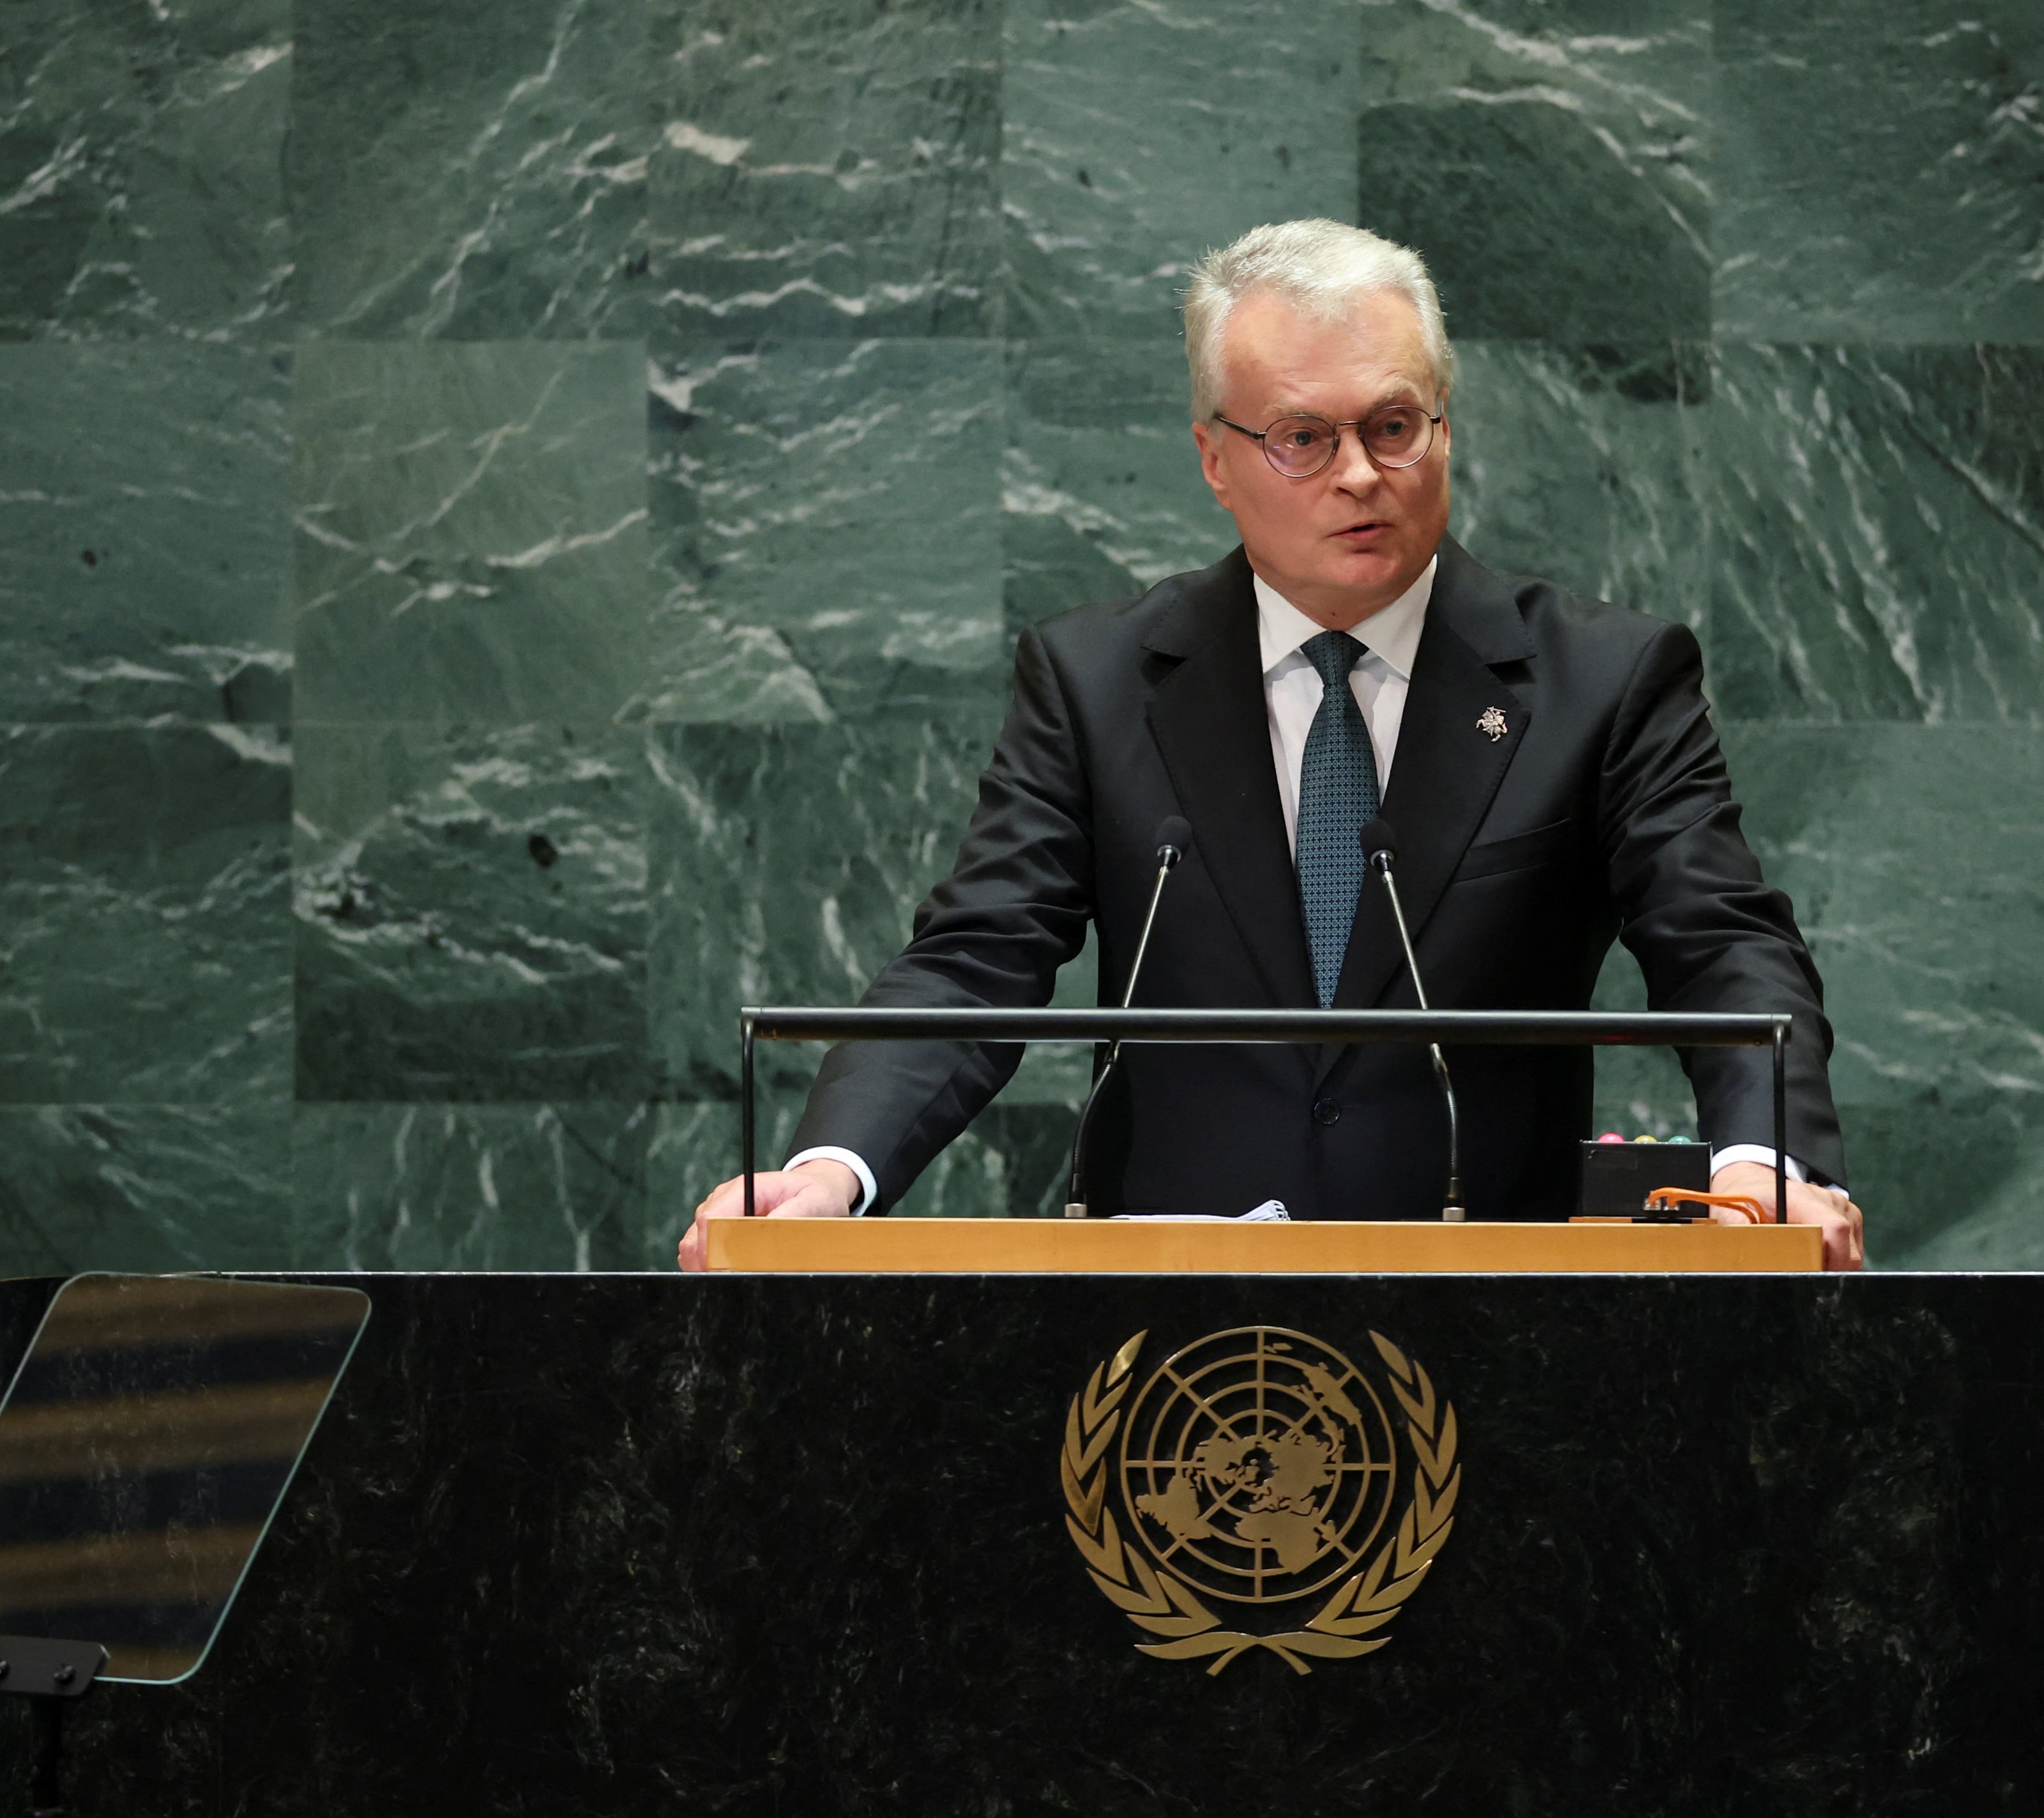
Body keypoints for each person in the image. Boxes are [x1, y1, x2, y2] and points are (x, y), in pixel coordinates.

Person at [678, 219, 1864, 1269]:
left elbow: (1725, 951)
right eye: (1304, 437)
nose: (1361, 475)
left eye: (1395, 426)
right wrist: (832, 1174)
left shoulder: (1602, 680)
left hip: (1506, 1330)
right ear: (1215, 460)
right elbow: (977, 960)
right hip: (1168, 1355)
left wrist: (1767, 1169)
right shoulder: (1096, 683)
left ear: (1445, 426)